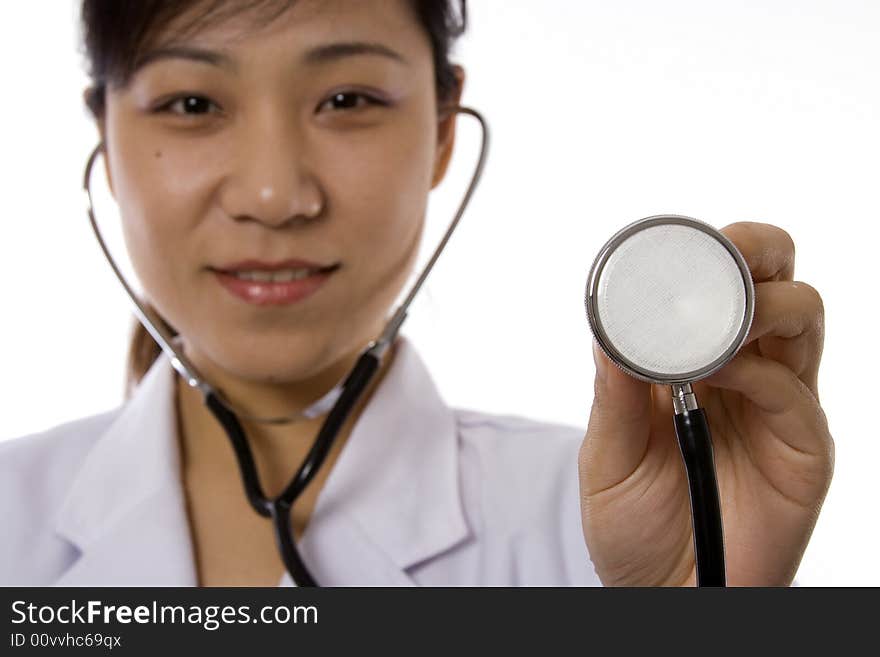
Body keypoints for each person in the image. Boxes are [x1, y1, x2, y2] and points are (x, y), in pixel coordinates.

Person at [0, 0, 833, 587]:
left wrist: (707, 609)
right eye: (191, 103)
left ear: (441, 131)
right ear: (105, 138)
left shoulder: (616, 529)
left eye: (347, 99)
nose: (275, 193)